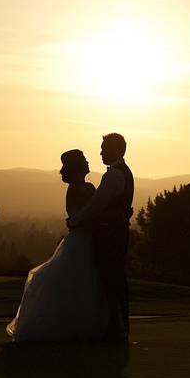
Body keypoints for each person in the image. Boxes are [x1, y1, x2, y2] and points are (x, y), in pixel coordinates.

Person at [6, 149, 109, 342]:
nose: (88, 162)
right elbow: (79, 217)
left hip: (89, 240)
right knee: (75, 281)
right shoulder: (76, 189)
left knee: (86, 283)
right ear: (78, 166)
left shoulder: (89, 187)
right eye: (84, 160)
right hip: (80, 241)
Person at [67, 133, 133, 341]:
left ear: (115, 150)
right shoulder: (122, 172)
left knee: (110, 282)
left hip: (111, 235)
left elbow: (96, 206)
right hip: (115, 233)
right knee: (113, 281)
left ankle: (116, 328)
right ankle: (117, 326)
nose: (101, 152)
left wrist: (75, 220)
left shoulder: (113, 175)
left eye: (104, 148)